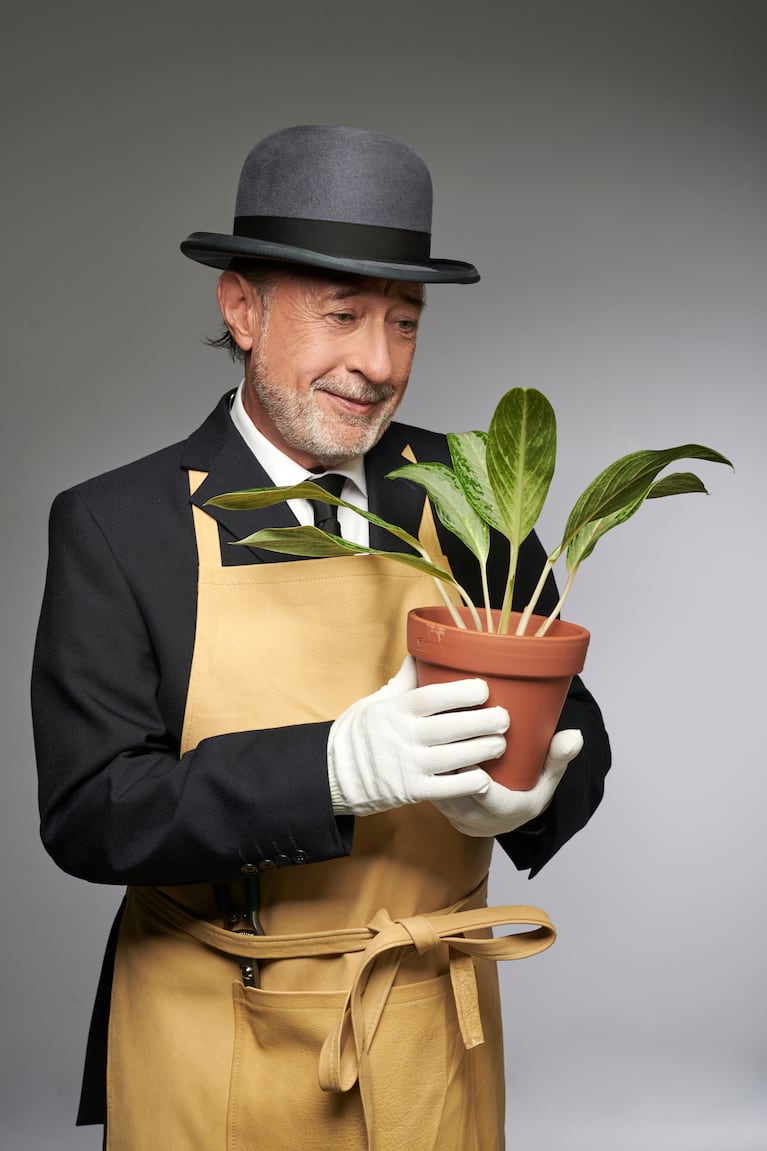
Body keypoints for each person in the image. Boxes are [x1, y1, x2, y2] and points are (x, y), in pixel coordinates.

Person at [32, 125, 611, 1151]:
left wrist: (526, 792)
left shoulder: (470, 487)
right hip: (208, 1038)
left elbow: (571, 718)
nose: (378, 364)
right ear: (241, 308)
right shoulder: (119, 525)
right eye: (342, 315)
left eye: (404, 323)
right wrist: (332, 764)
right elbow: (91, 810)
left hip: (429, 1037)